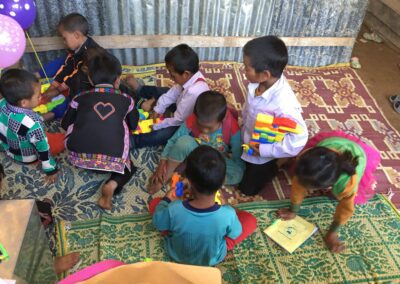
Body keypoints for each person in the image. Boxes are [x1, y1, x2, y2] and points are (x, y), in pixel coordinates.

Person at [149, 145, 257, 266]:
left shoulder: (174, 208)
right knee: (250, 220)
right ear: (223, 181)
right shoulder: (228, 214)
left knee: (155, 203)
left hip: (177, 254)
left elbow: (158, 223)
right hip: (212, 259)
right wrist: (226, 207)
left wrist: (167, 199)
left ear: (187, 180)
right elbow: (236, 233)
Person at [277, 131, 380, 253]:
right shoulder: (306, 158)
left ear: (329, 185)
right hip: (332, 141)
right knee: (301, 178)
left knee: (340, 196)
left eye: (309, 188)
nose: (306, 189)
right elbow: (297, 187)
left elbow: (345, 209)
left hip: (358, 153)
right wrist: (293, 210)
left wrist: (332, 233)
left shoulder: (347, 183)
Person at [61, 52, 139, 210]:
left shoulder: (79, 97)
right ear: (117, 79)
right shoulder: (127, 99)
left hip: (78, 159)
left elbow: (64, 123)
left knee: (74, 125)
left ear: (90, 78)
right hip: (114, 163)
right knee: (130, 166)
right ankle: (111, 184)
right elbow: (133, 125)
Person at [239, 35, 308, 196]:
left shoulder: (283, 105)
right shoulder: (259, 83)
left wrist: (265, 150)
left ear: (264, 75)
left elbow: (300, 138)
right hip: (248, 136)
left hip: (264, 153)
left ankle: (278, 163)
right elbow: (250, 106)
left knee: (247, 190)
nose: (244, 71)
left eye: (246, 67)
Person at [148, 91, 244, 194]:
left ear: (222, 119)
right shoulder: (193, 118)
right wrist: (162, 165)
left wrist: (216, 175)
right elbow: (174, 140)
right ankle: (166, 176)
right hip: (196, 150)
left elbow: (238, 160)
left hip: (216, 160)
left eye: (209, 128)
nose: (204, 131)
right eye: (200, 125)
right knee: (183, 142)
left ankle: (195, 179)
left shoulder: (232, 129)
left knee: (237, 174)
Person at [127, 44, 210, 148]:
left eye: (172, 75)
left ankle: (134, 141)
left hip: (186, 122)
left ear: (186, 74)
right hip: (183, 107)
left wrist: (158, 125)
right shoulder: (190, 77)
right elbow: (173, 92)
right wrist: (159, 108)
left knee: (165, 134)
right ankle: (141, 90)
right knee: (165, 91)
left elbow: (178, 120)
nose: (170, 77)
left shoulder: (194, 92)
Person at [0, 69, 60, 184]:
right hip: (26, 158)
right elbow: (43, 150)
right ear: (23, 103)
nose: (40, 97)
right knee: (59, 140)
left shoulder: (2, 103)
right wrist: (51, 170)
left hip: (7, 147)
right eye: (38, 96)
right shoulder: (34, 124)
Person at [41, 13, 101, 119]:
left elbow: (78, 76)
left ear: (76, 35)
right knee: (62, 62)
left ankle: (53, 114)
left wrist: (58, 90)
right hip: (79, 79)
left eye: (64, 38)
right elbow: (67, 67)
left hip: (90, 84)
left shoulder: (91, 53)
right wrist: (54, 85)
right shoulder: (76, 49)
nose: (63, 42)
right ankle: (38, 74)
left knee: (75, 98)